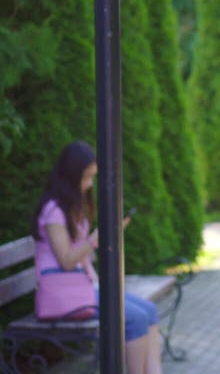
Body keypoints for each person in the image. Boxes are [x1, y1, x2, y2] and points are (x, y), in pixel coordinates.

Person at [32, 141, 162, 374]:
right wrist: (94, 239)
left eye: (92, 177)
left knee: (149, 311)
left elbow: (82, 254)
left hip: (82, 287)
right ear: (69, 176)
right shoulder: (53, 211)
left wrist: (108, 236)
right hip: (65, 295)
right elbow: (66, 260)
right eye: (85, 178)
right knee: (136, 318)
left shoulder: (72, 207)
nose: (89, 184)